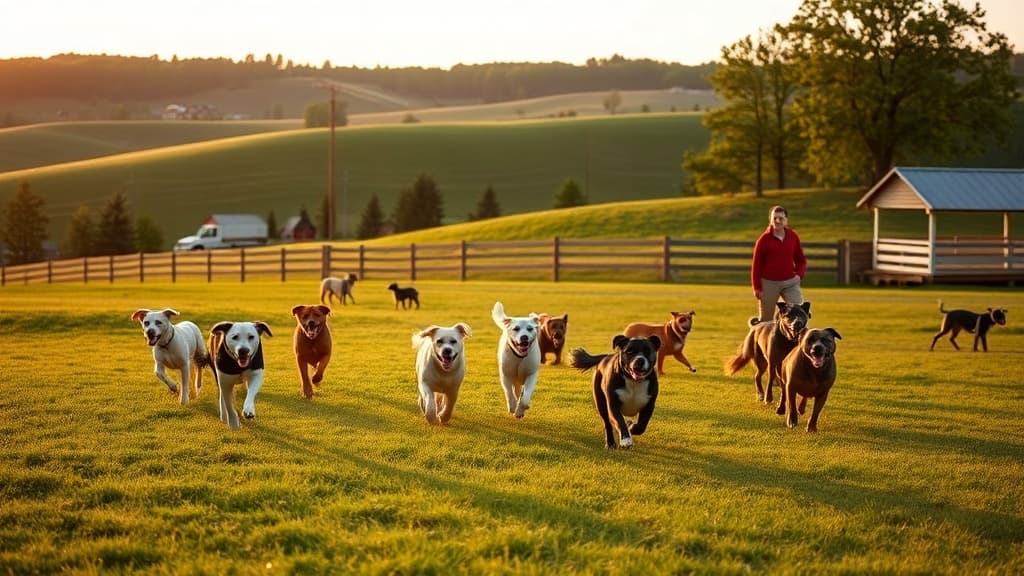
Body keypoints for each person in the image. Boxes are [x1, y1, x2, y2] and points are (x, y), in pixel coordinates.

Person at [751, 205, 807, 322]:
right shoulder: (763, 240)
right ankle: (757, 338)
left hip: (790, 283)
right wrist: (757, 287)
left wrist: (798, 275)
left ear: (786, 220)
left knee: (799, 313)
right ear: (770, 220)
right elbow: (756, 265)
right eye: (774, 218)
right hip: (768, 284)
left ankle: (795, 338)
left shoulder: (793, 237)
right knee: (766, 321)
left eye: (781, 218)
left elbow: (801, 260)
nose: (777, 221)